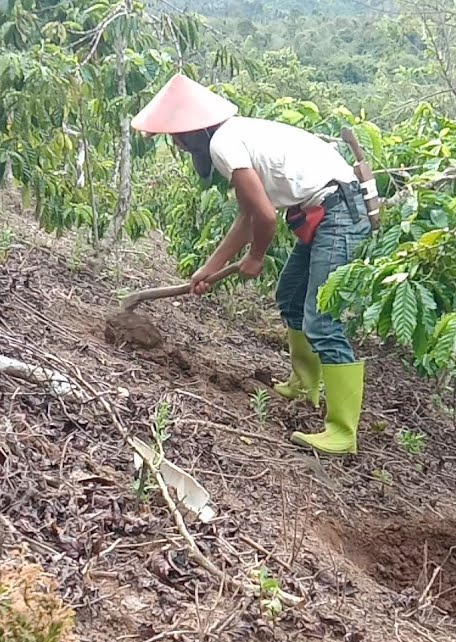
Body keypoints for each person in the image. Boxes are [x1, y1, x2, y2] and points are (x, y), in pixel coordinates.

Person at [131, 74, 371, 455]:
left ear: (192, 132)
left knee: (322, 321)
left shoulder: (224, 144)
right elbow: (247, 216)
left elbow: (265, 216)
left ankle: (342, 432)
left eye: (177, 137)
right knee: (290, 296)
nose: (177, 144)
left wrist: (256, 257)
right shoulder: (235, 135)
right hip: (330, 209)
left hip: (339, 212)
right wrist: (210, 267)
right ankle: (304, 386)